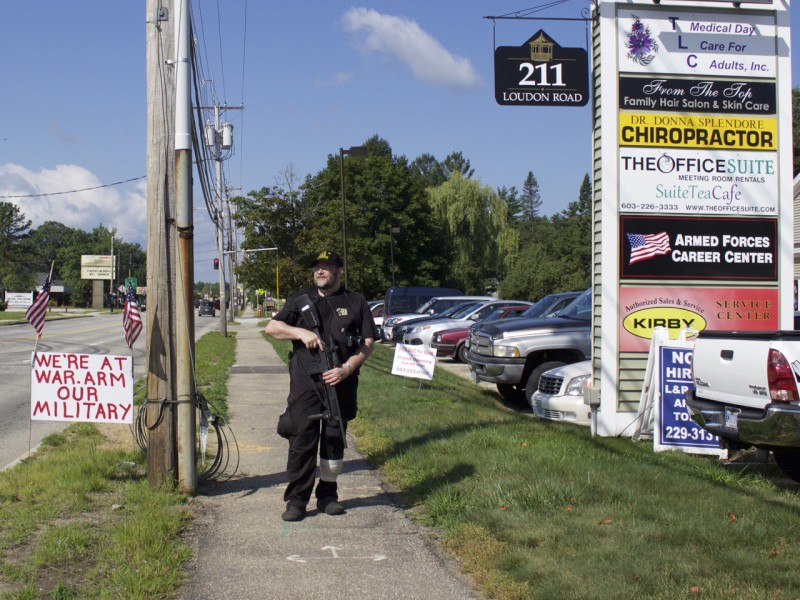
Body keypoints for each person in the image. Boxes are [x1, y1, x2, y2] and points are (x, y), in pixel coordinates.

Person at [265, 250, 377, 521]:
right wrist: (300, 332)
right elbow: (272, 328)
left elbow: (368, 342)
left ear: (340, 271)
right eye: (317, 267)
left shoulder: (355, 302)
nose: (320, 271)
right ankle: (296, 500)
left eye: (327, 267)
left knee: (333, 440)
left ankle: (328, 495)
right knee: (302, 439)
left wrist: (347, 368)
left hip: (341, 382)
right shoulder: (300, 300)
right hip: (306, 382)